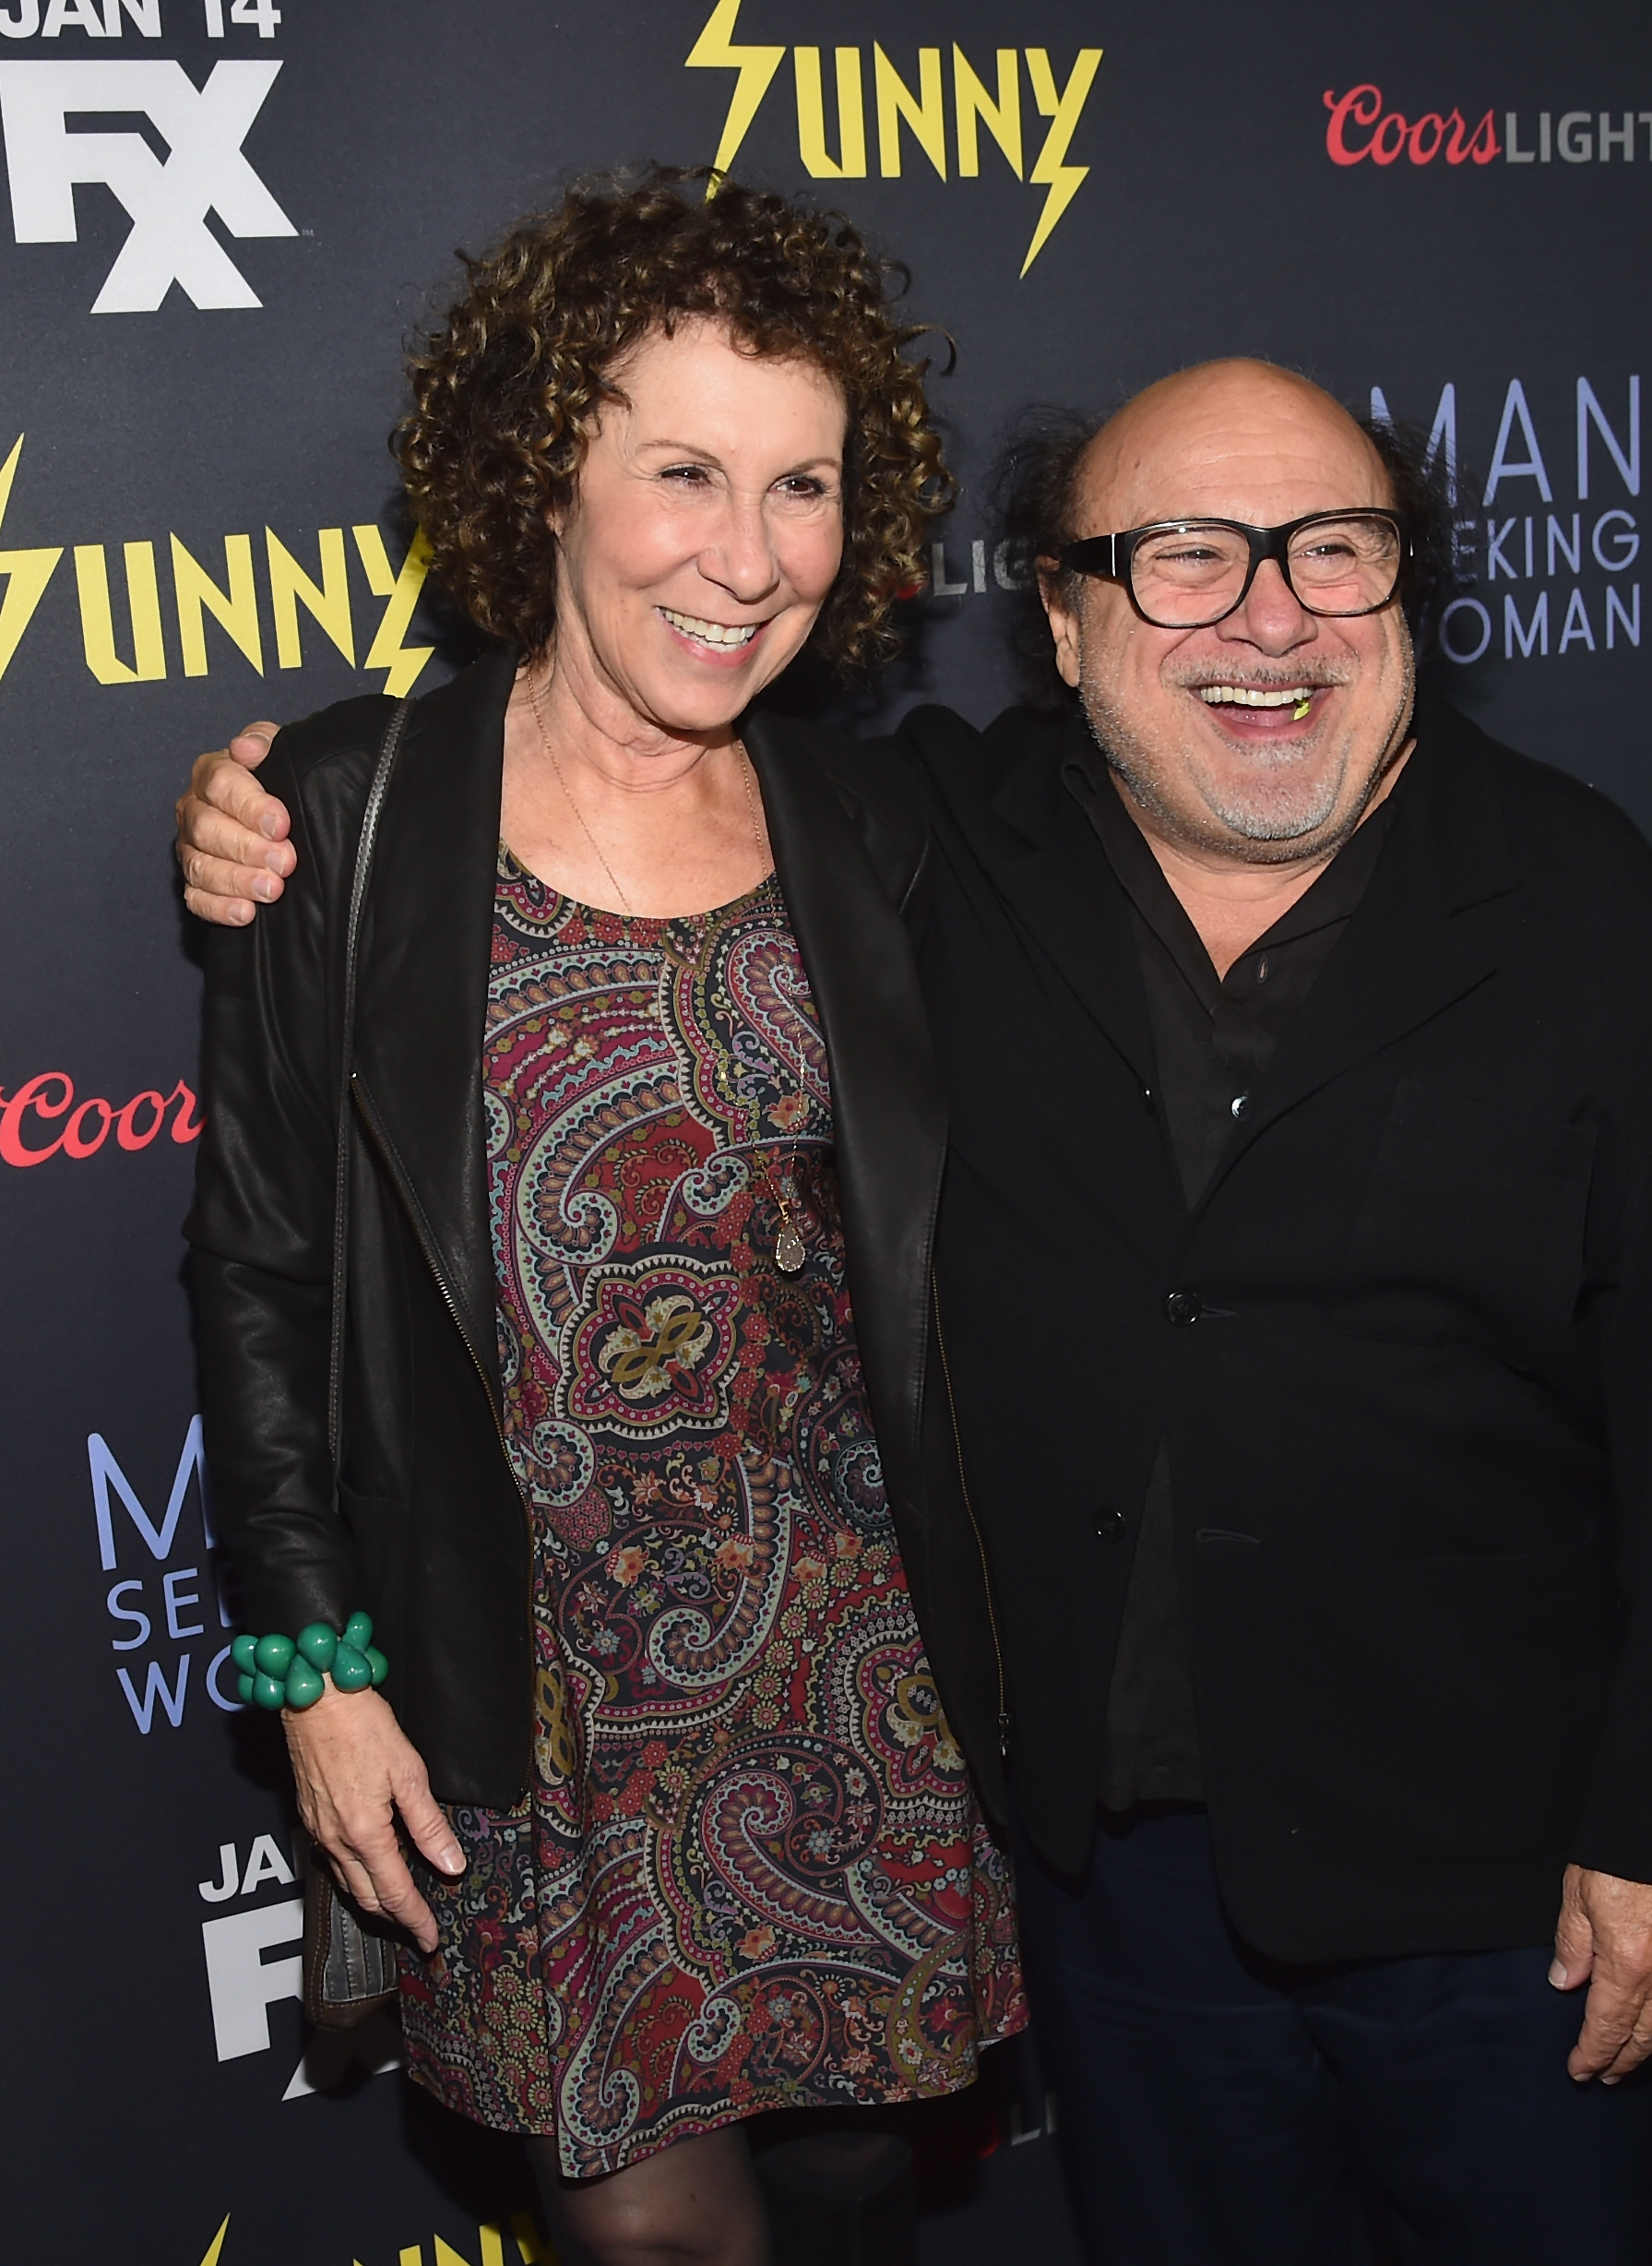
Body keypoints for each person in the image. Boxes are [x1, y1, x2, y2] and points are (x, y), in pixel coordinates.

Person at [178, 354, 1652, 2265]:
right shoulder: (945, 842)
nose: (1269, 620)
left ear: (1405, 596)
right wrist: (251, 805)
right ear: (1064, 614)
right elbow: (308, 1203)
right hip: (1115, 1876)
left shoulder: (1586, 900)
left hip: (1500, 1874)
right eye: (1185, 558)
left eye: (1335, 555)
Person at [184, 169, 1024, 2266]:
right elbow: (262, 1265)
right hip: (527, 1690)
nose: (748, 560)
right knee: (652, 2238)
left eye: (805, 487)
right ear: (542, 471)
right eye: (682, 472)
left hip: (857, 1663)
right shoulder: (345, 819)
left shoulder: (884, 816)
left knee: (844, 2192)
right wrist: (314, 1666)